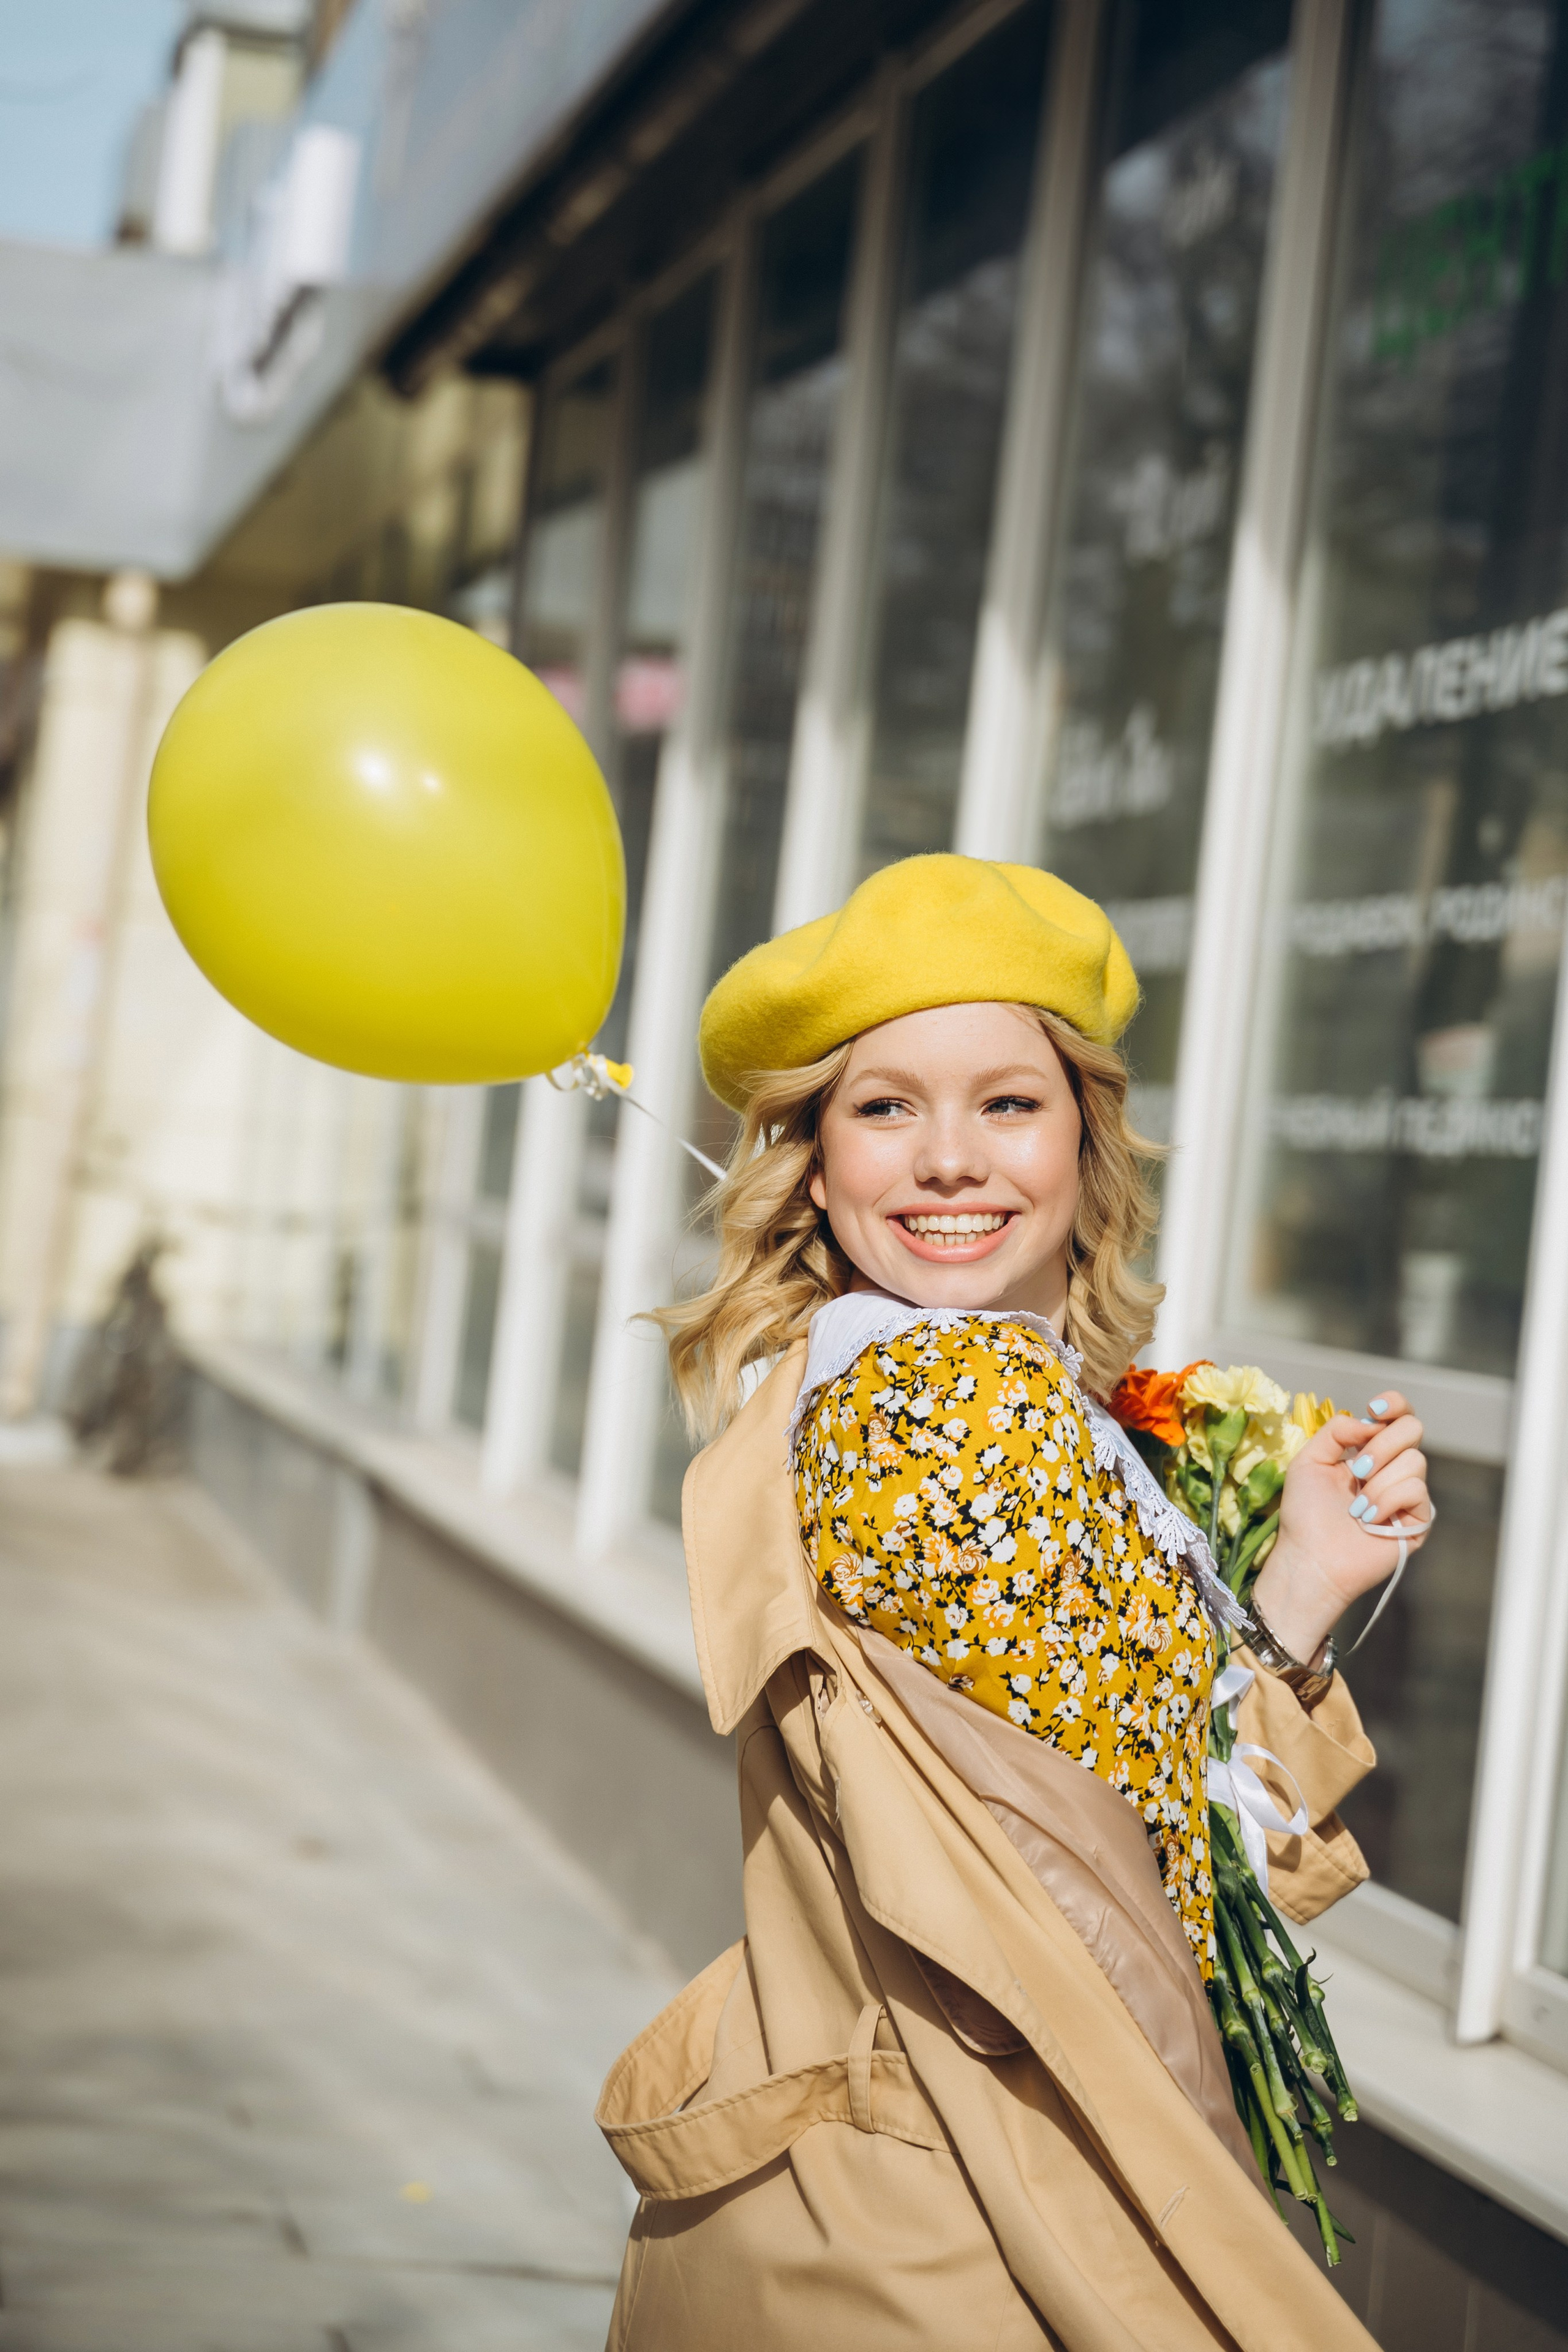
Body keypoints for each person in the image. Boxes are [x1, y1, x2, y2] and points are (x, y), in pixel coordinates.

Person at [597, 855, 1429, 2351]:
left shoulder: (923, 1382)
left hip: (903, 2206)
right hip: (976, 2223)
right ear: (817, 1154)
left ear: (1082, 1138)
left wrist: (1290, 1584)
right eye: (885, 1106)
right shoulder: (949, 1400)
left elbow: (1108, 1820)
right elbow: (1132, 1887)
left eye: (1005, 1102)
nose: (945, 1161)